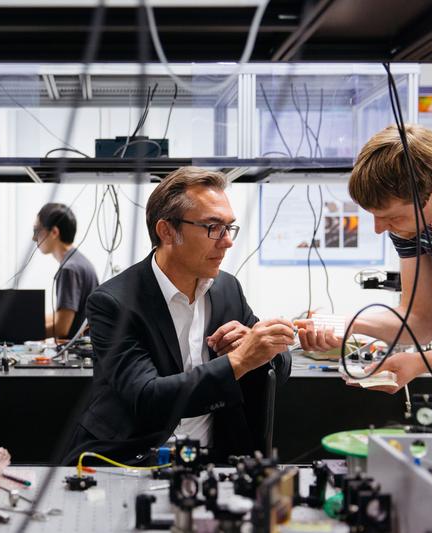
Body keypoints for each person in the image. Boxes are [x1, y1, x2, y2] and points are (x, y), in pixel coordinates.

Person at [64, 167, 293, 464]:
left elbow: (277, 372)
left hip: (213, 458)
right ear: (167, 231)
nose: (227, 241)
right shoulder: (113, 302)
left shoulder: (227, 289)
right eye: (213, 227)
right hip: (130, 457)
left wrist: (261, 348)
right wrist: (238, 361)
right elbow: (148, 398)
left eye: (229, 227)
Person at [296, 124, 432, 392]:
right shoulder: (410, 214)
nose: (380, 229)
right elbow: (420, 320)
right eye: (375, 216)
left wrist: (422, 362)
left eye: (391, 218)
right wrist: (345, 324)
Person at [32, 202, 99, 340]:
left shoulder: (70, 269)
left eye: (36, 230)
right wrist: (28, 321)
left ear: (54, 232)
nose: (34, 238)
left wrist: (21, 334)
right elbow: (61, 315)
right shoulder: (79, 262)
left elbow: (62, 327)